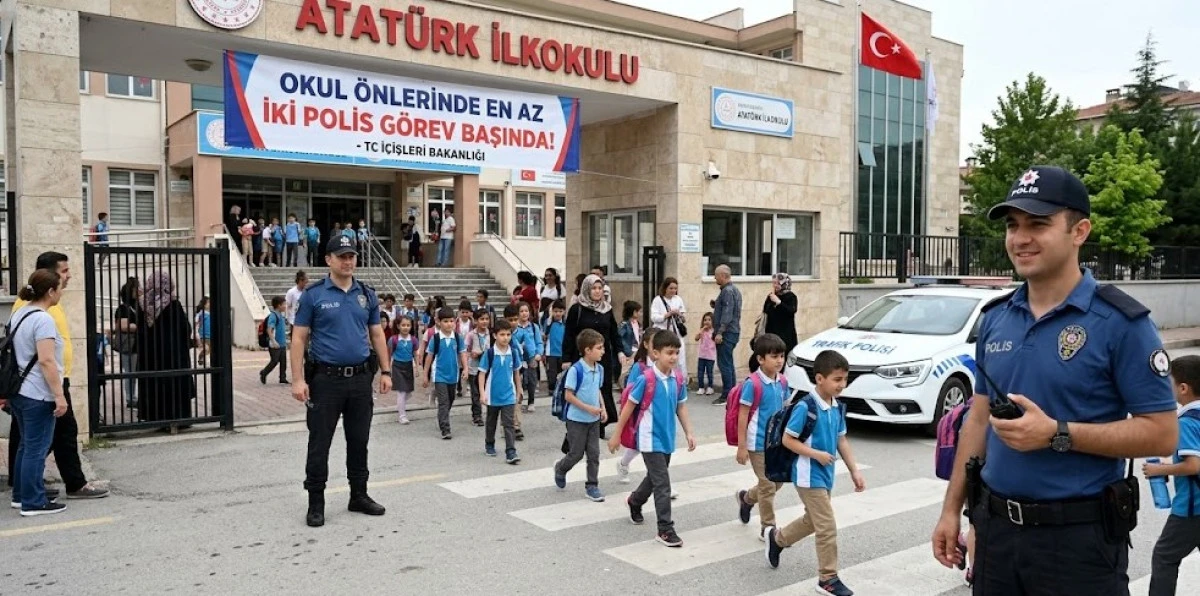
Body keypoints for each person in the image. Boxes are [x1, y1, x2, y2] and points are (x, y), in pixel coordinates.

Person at [930, 166, 1179, 594]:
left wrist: (1057, 434)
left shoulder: (1121, 323)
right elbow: (977, 420)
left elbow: (1161, 434)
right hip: (996, 532)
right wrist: (952, 510)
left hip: (1078, 543)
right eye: (1013, 225)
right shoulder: (996, 319)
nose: (1020, 238)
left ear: (1079, 231)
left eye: (1038, 224)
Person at [290, 233, 391, 528]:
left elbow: (376, 334)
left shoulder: (367, 294)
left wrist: (385, 371)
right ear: (328, 260)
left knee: (359, 440)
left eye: (352, 256)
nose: (348, 261)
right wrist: (297, 380)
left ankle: (358, 495)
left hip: (360, 379)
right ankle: (316, 503)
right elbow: (298, 338)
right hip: (326, 381)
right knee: (320, 442)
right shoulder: (313, 295)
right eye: (342, 256)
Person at [6, 252, 108, 499]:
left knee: (28, 440)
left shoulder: (33, 306)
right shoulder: (38, 311)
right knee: (52, 438)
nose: (69, 276)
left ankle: (23, 487)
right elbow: (46, 357)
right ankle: (63, 486)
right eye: (64, 271)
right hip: (45, 384)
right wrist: (58, 393)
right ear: (49, 280)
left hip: (39, 384)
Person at [765, 350, 866, 596]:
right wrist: (816, 454)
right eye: (837, 379)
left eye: (845, 379)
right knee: (827, 526)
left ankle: (778, 540)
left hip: (825, 474)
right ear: (819, 379)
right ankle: (828, 578)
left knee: (813, 521)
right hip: (808, 475)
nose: (842, 384)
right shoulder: (806, 406)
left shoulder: (836, 407)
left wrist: (854, 470)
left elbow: (842, 441)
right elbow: (788, 440)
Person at [606, 331, 696, 548]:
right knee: (663, 483)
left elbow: (681, 406)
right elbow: (629, 407)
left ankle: (635, 501)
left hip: (666, 437)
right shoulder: (646, 379)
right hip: (648, 438)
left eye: (676, 353)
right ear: (655, 354)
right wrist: (617, 434)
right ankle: (665, 529)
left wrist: (689, 432)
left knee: (655, 478)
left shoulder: (678, 379)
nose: (673, 357)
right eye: (669, 353)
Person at [6, 269, 68, 516]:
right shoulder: (43, 319)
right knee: (36, 448)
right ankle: (33, 501)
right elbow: (46, 361)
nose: (61, 293)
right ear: (51, 291)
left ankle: (21, 496)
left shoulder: (20, 313)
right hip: (38, 394)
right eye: (60, 288)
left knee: (25, 446)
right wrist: (59, 395)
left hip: (19, 391)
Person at [1145, 354, 1200, 595]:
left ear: (1184, 388)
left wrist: (1161, 469)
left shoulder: (1186, 421)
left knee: (1164, 557)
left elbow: (1193, 465)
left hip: (1191, 507)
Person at [735, 333, 790, 542]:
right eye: (774, 356)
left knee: (777, 482)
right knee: (767, 485)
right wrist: (742, 446)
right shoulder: (753, 383)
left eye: (782, 356)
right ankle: (768, 529)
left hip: (776, 443)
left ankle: (747, 499)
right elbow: (742, 416)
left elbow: (785, 412)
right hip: (757, 443)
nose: (779, 361)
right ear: (760, 359)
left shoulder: (783, 382)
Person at [562, 274, 628, 435]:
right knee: (584, 389)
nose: (598, 291)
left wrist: (620, 351)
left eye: (600, 288)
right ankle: (580, 421)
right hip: (582, 357)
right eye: (594, 288)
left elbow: (613, 332)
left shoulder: (606, 308)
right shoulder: (577, 309)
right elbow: (569, 334)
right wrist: (566, 359)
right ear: (586, 289)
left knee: (603, 388)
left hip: (603, 357)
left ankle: (600, 423)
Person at [136, 270, 196, 427]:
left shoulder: (142, 304)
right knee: (173, 386)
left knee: (155, 385)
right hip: (173, 356)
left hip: (150, 356)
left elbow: (140, 332)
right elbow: (185, 328)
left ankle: (156, 419)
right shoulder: (173, 303)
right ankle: (178, 419)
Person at [555, 329, 607, 502]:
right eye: (599, 348)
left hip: (593, 420)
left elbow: (597, 390)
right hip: (576, 420)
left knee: (594, 454)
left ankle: (592, 485)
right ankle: (561, 468)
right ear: (587, 350)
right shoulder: (576, 370)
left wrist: (603, 408)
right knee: (576, 453)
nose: (603, 351)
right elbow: (568, 395)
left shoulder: (599, 369)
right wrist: (587, 408)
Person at [479, 319, 523, 464]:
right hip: (492, 395)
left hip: (509, 396)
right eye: (502, 334)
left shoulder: (514, 353)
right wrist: (482, 393)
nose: (506, 338)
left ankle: (511, 451)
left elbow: (516, 373)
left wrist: (519, 389)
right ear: (494, 335)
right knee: (491, 422)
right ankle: (489, 443)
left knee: (508, 424)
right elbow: (482, 374)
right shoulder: (490, 353)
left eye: (508, 334)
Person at [422, 307, 468, 440]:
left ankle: (443, 416)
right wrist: (425, 374)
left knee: (451, 399)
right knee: (443, 401)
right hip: (439, 375)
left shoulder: (457, 338)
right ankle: (445, 428)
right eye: (446, 321)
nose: (449, 324)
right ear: (439, 322)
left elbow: (463, 353)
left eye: (451, 321)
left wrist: (465, 368)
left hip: (453, 375)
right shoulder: (435, 339)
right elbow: (429, 357)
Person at [750, 273, 798, 374]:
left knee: (781, 364)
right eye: (774, 283)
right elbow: (765, 313)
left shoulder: (791, 297)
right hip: (770, 335)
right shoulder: (771, 296)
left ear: (784, 283)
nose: (775, 286)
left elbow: (791, 311)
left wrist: (779, 303)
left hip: (785, 336)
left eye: (777, 283)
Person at [711, 264, 743, 405]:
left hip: (727, 333)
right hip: (731, 331)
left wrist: (720, 332)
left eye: (716, 275)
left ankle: (727, 395)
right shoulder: (733, 290)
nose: (714, 277)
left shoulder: (727, 291)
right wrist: (716, 305)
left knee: (724, 364)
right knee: (728, 363)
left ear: (723, 275)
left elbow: (727, 314)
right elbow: (728, 308)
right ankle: (732, 393)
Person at [650, 277, 688, 377]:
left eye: (675, 288)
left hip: (676, 333)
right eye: (671, 288)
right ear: (665, 288)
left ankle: (680, 379)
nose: (673, 291)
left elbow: (684, 318)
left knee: (680, 359)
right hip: (663, 332)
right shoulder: (658, 300)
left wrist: (679, 314)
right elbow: (654, 317)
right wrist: (667, 314)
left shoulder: (678, 299)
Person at [113, 277, 141, 408]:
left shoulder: (139, 307)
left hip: (139, 345)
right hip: (129, 346)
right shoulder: (123, 309)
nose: (139, 291)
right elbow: (123, 326)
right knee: (130, 373)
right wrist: (140, 326)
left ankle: (135, 398)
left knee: (137, 373)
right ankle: (131, 398)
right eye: (136, 289)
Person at [464, 309, 492, 427]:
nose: (484, 321)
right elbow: (465, 350)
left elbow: (490, 349)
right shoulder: (471, 335)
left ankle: (489, 413)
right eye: (481, 319)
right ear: (475, 321)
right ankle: (477, 416)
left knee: (486, 390)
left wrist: (481, 353)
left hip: (485, 368)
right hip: (473, 368)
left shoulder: (489, 334)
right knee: (475, 393)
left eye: (486, 319)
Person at [514, 302, 543, 412]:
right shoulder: (515, 327)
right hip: (518, 357)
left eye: (526, 311)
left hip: (532, 356)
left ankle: (531, 401)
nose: (524, 313)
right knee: (519, 379)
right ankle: (519, 401)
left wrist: (539, 353)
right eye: (521, 311)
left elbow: (539, 342)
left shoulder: (534, 327)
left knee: (532, 379)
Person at [388, 315, 417, 425]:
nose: (406, 327)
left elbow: (414, 353)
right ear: (398, 326)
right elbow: (389, 354)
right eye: (403, 325)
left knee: (408, 392)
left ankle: (400, 405)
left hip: (408, 366)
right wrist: (388, 368)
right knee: (401, 391)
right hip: (397, 366)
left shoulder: (413, 339)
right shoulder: (393, 339)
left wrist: (417, 368)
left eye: (408, 325)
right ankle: (402, 415)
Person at [260, 297, 289, 384]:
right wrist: (273, 341)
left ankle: (282, 378)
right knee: (274, 361)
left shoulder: (281, 315)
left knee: (283, 361)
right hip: (275, 344)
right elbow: (269, 329)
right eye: (284, 304)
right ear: (278, 305)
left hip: (282, 343)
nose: (285, 306)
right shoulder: (273, 316)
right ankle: (264, 373)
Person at [544, 300, 566, 393]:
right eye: (556, 311)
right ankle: (551, 389)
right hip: (551, 353)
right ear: (552, 311)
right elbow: (545, 331)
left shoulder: (566, 324)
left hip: (562, 352)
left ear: (564, 312)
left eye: (560, 311)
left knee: (562, 373)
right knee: (552, 374)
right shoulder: (549, 323)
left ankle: (561, 389)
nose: (558, 314)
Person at [695, 313, 716, 396]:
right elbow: (696, 338)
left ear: (712, 321)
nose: (707, 322)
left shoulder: (714, 331)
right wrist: (702, 330)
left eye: (709, 320)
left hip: (710, 356)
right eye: (705, 320)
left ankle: (710, 387)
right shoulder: (702, 331)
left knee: (709, 372)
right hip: (702, 355)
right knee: (700, 372)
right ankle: (701, 387)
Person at [194, 296, 211, 368]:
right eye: (208, 302)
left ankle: (202, 356)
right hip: (203, 335)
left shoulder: (210, 313)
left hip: (210, 335)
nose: (210, 304)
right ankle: (201, 357)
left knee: (209, 350)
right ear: (204, 305)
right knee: (206, 349)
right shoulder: (201, 313)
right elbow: (196, 320)